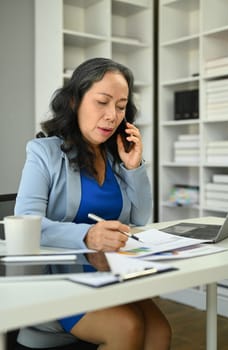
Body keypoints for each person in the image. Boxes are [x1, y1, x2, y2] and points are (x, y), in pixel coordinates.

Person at [15, 57, 171, 350]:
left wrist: (134, 167)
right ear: (75, 101)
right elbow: (26, 223)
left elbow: (141, 219)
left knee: (160, 331)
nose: (112, 115)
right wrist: (87, 235)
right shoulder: (43, 153)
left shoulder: (116, 158)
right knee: (127, 326)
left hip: (113, 271)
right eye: (102, 102)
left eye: (121, 106)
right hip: (62, 279)